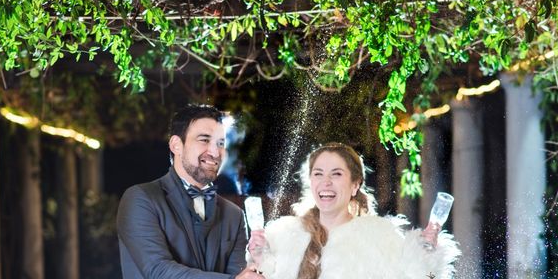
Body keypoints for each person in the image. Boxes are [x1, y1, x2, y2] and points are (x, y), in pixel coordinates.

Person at [247, 142, 461, 279]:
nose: (326, 182)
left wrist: (426, 256)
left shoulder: (379, 238)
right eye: (318, 174)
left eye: (337, 174)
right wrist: (259, 258)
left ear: (355, 184)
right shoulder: (283, 237)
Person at [117, 104, 262, 279]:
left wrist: (259, 260)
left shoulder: (235, 215)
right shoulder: (141, 199)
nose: (215, 152)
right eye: (204, 140)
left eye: (220, 143)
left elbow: (240, 274)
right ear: (176, 145)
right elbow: (158, 270)